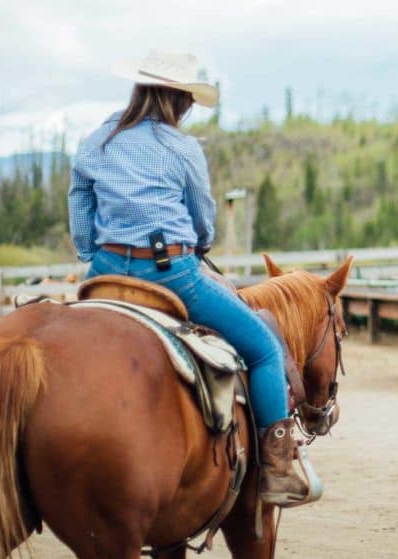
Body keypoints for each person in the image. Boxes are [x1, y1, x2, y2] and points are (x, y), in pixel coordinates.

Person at [68, 50, 317, 507]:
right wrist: (199, 244)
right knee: (262, 347)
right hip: (171, 273)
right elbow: (203, 217)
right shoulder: (182, 147)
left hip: (103, 271)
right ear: (180, 100)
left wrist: (92, 255)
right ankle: (279, 466)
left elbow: (80, 206)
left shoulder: (97, 139)